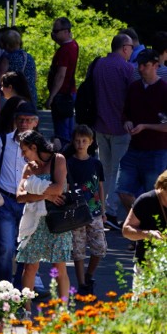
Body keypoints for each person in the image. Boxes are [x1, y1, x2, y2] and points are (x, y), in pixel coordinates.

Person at [0, 101, 41, 283]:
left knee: (23, 249)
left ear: (35, 122)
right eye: (21, 120)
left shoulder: (41, 147)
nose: (24, 124)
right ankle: (4, 289)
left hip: (30, 203)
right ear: (15, 121)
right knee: (6, 247)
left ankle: (20, 287)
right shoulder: (3, 140)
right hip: (6, 200)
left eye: (28, 120)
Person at [15, 130, 72, 299]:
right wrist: (46, 195)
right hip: (34, 222)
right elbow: (19, 197)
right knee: (30, 267)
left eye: (25, 150)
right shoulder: (29, 167)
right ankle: (26, 311)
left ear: (34, 147)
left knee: (59, 267)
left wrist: (33, 191)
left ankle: (63, 312)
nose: (23, 155)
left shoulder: (58, 159)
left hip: (57, 220)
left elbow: (59, 188)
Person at [115, 50, 167, 226]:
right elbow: (125, 113)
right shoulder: (134, 88)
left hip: (157, 151)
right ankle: (139, 227)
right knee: (122, 190)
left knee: (155, 195)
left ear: (155, 66)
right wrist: (128, 122)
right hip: (134, 149)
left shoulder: (164, 90)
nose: (141, 68)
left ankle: (146, 233)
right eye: (139, 64)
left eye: (145, 65)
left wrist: (145, 126)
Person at [91, 34, 135, 230]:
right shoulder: (127, 68)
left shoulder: (99, 64)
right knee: (116, 171)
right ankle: (110, 211)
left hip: (100, 125)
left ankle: (101, 209)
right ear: (125, 48)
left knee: (104, 169)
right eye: (131, 47)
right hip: (120, 126)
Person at [65, 125, 107, 296]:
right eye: (77, 141)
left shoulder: (96, 163)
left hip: (95, 211)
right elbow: (67, 187)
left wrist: (103, 209)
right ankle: (81, 283)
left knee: (100, 247)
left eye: (84, 141)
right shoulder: (69, 163)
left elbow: (100, 187)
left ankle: (89, 275)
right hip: (76, 213)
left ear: (90, 142)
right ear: (73, 142)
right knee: (78, 249)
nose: (80, 144)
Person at [122, 170, 167, 286]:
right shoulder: (146, 201)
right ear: (161, 187)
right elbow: (126, 230)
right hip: (147, 265)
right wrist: (147, 234)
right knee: (143, 301)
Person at [47, 17, 79, 149]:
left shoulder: (65, 50)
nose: (52, 34)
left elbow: (61, 75)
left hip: (62, 96)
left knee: (62, 135)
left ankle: (64, 161)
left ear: (66, 32)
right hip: (68, 94)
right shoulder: (73, 45)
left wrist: (51, 96)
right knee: (69, 131)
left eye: (56, 31)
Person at [0, 29, 37, 107]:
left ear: (6, 45)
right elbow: (35, 77)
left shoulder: (7, 58)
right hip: (30, 95)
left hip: (14, 96)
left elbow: (0, 77)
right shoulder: (29, 57)